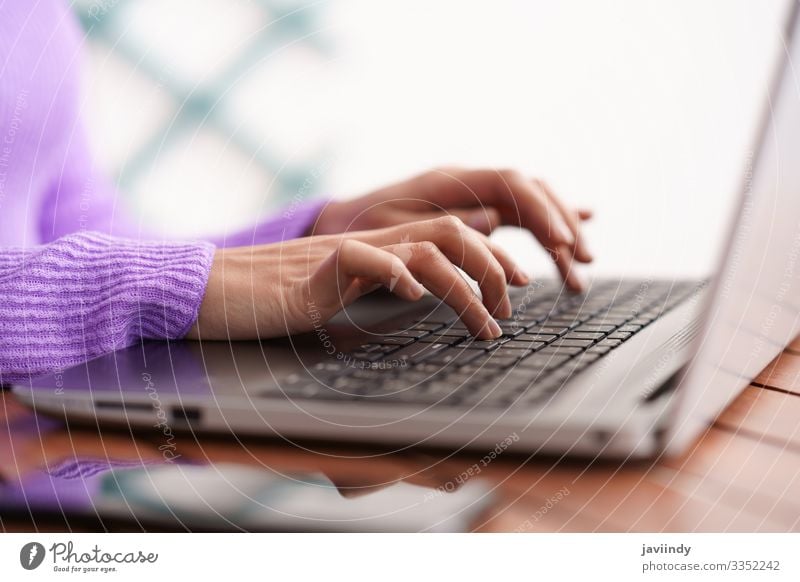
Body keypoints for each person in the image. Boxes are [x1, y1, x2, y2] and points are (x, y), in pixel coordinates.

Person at [0, 1, 591, 385]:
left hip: (62, 480)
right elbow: (114, 280)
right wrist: (179, 286)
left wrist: (323, 237)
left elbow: (81, 236)